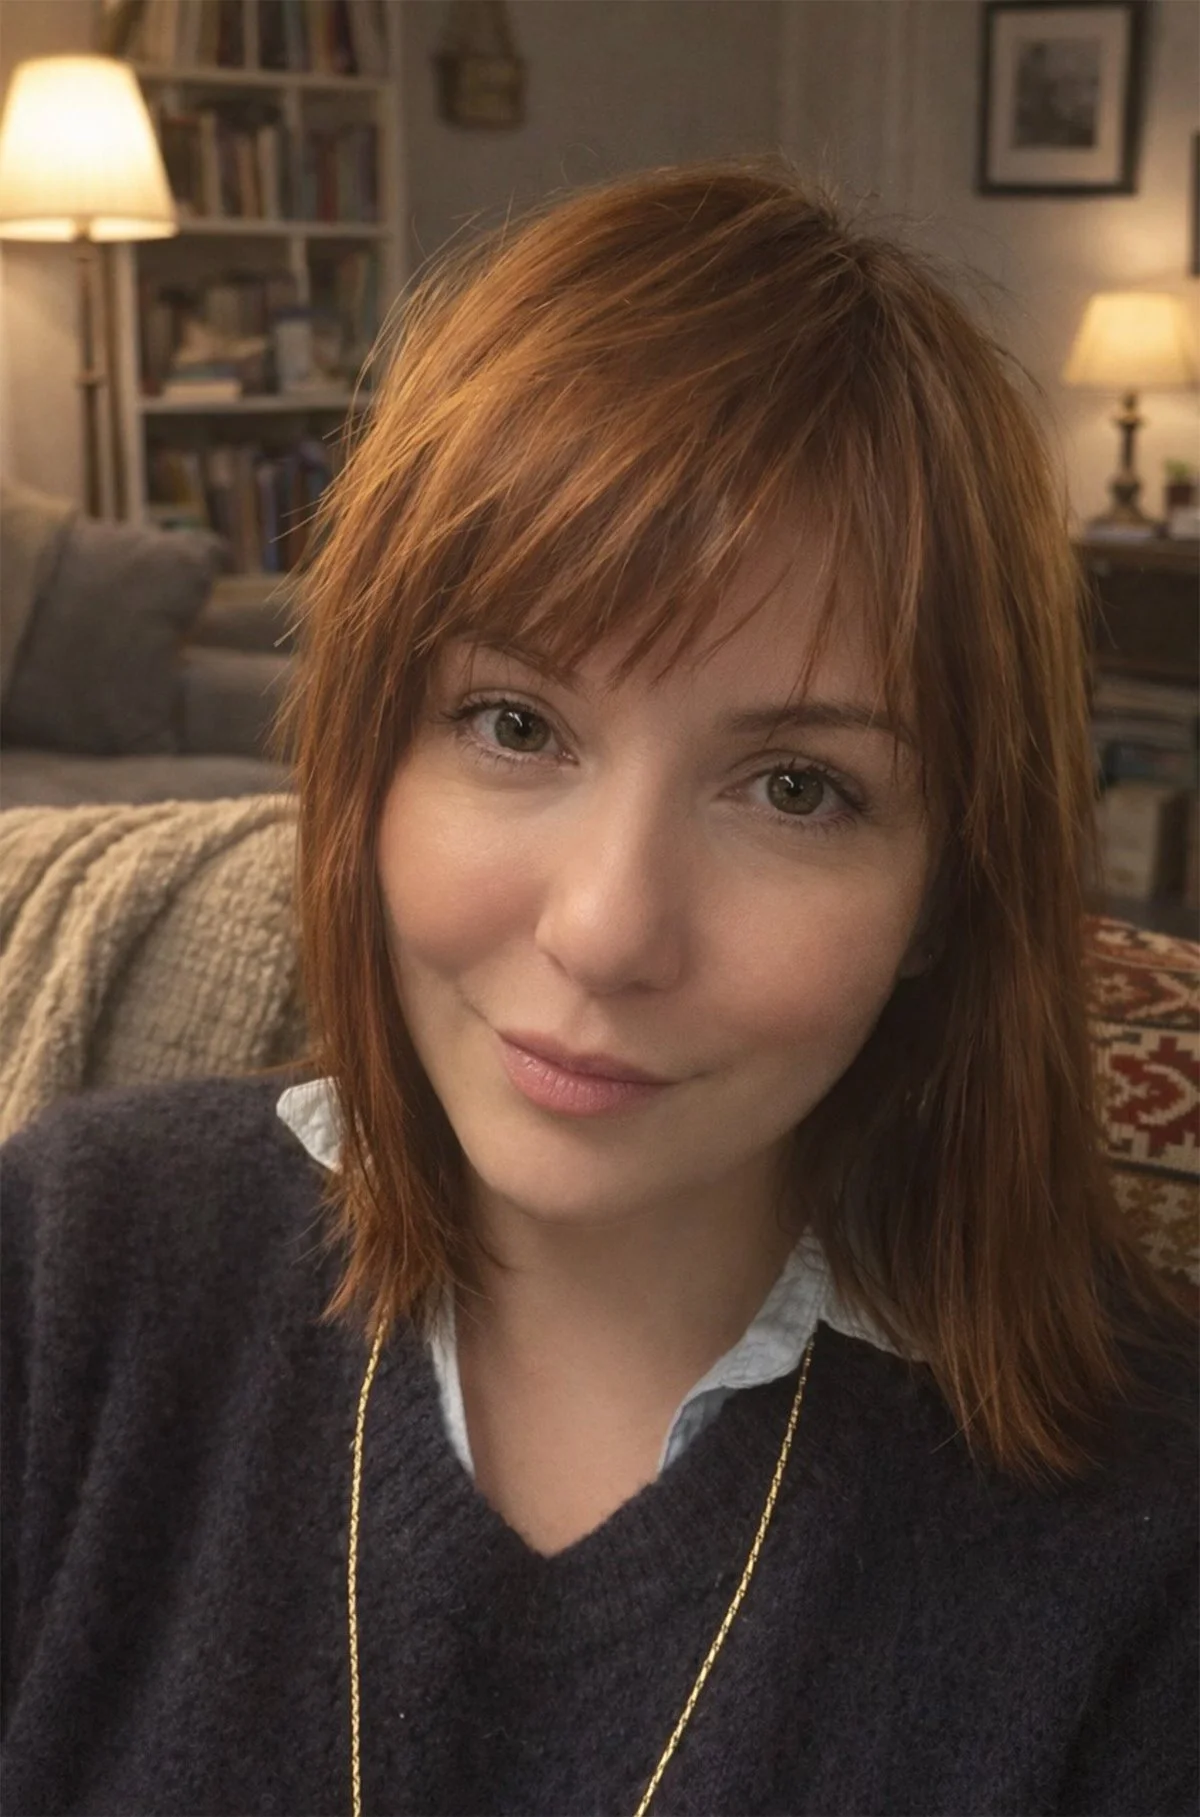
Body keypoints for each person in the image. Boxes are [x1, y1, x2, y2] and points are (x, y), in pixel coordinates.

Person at [2, 159, 1195, 1817]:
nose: (607, 929)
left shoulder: (1145, 1541)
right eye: (515, 724)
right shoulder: (76, 1266)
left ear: (945, 894)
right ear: (365, 763)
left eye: (796, 788)